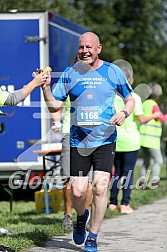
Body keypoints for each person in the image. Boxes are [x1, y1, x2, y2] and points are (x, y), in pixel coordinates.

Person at [40, 32, 135, 252]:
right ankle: (82, 217)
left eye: (89, 47)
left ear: (99, 48)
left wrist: (124, 113)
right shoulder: (70, 73)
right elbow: (55, 106)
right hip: (78, 140)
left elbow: (130, 100)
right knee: (77, 191)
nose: (85, 51)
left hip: (105, 138)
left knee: (101, 187)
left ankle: (92, 236)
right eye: (81, 47)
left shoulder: (112, 71)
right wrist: (45, 89)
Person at [108, 63, 161, 214]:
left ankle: (112, 203)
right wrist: (155, 115)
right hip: (131, 141)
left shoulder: (111, 96)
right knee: (128, 172)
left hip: (115, 140)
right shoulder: (134, 97)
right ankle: (125, 204)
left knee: (116, 172)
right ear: (130, 80)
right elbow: (142, 119)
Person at [51, 98, 92, 231]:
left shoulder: (96, 82)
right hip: (69, 133)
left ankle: (84, 216)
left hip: (91, 135)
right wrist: (56, 121)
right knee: (68, 176)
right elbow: (57, 106)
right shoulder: (68, 81)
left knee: (89, 180)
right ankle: (67, 214)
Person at [139, 82, 167, 188]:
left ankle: (141, 183)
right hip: (152, 140)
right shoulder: (154, 105)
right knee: (159, 161)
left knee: (145, 162)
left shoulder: (144, 103)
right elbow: (162, 119)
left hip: (143, 138)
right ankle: (154, 182)